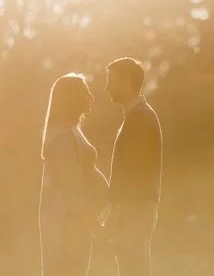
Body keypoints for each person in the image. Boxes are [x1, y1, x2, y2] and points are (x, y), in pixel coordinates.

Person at [39, 73, 109, 276]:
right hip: (67, 225)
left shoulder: (72, 131)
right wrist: (91, 219)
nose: (91, 97)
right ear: (72, 98)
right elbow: (72, 186)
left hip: (75, 223)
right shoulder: (62, 136)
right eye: (85, 93)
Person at [100, 58, 163, 276]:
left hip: (134, 211)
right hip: (134, 210)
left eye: (112, 81)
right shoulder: (137, 117)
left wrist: (117, 210)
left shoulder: (140, 119)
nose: (107, 87)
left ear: (127, 81)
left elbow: (135, 170)